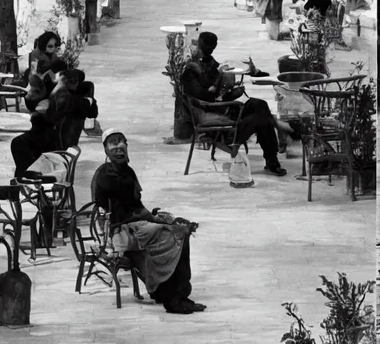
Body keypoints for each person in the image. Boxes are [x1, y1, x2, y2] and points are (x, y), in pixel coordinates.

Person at [90, 130, 203, 312]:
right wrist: (155, 220)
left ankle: (176, 290)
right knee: (175, 234)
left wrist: (156, 219)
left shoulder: (127, 171)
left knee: (182, 230)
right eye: (112, 144)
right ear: (105, 150)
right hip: (120, 232)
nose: (118, 147)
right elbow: (127, 211)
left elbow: (137, 205)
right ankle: (172, 299)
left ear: (127, 146)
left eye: (121, 142)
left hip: (133, 226)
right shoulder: (107, 175)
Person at [178, 31, 285, 174]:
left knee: (261, 106)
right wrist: (218, 79)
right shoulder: (190, 70)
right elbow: (206, 97)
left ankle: (268, 155)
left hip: (224, 105)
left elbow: (219, 81)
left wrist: (251, 73)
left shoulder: (209, 62)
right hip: (211, 110)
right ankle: (269, 158)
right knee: (261, 118)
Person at [9, 63, 97, 176]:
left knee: (20, 144)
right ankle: (28, 177)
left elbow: (85, 109)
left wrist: (88, 100)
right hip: (48, 134)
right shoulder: (62, 93)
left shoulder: (73, 98)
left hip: (57, 142)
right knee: (19, 144)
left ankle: (30, 177)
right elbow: (35, 103)